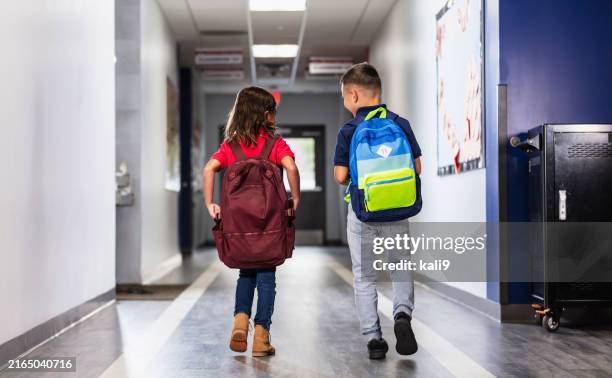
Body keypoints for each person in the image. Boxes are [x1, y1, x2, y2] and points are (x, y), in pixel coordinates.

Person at [203, 86, 300, 357]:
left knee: (246, 273)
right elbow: (290, 166)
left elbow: (209, 168)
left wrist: (210, 202)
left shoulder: (231, 146)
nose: (275, 117)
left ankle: (239, 321)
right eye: (273, 113)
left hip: (239, 227)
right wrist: (295, 198)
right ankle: (261, 335)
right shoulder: (274, 144)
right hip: (269, 223)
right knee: (267, 277)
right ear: (265, 115)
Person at [333, 63, 422, 359]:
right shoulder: (400, 122)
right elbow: (417, 166)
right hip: (397, 210)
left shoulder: (349, 129)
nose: (346, 103)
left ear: (354, 95)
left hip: (363, 214)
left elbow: (340, 176)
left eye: (345, 97)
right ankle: (401, 316)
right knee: (400, 266)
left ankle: (373, 338)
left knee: (364, 275)